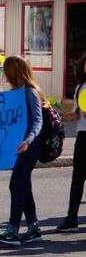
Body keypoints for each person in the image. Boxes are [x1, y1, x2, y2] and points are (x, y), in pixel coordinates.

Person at [0, 55, 47, 246]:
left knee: (15, 185)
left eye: (7, 71)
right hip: (22, 146)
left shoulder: (30, 92)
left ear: (14, 72)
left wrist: (27, 141)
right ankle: (33, 228)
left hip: (29, 147)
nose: (5, 76)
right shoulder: (17, 92)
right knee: (24, 186)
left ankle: (12, 231)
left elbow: (38, 121)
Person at [57, 52, 86, 232]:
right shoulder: (80, 87)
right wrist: (74, 115)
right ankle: (71, 218)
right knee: (77, 178)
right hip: (82, 136)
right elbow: (77, 112)